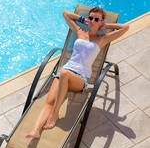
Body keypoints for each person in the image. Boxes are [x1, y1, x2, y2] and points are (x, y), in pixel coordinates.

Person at [25, 7, 129, 139]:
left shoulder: (102, 38)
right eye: (90, 18)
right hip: (65, 72)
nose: (92, 21)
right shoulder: (80, 32)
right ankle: (35, 130)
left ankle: (55, 113)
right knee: (49, 100)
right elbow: (65, 14)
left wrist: (106, 25)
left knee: (64, 73)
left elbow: (125, 27)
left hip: (80, 78)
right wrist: (82, 19)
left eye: (96, 19)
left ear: (101, 22)